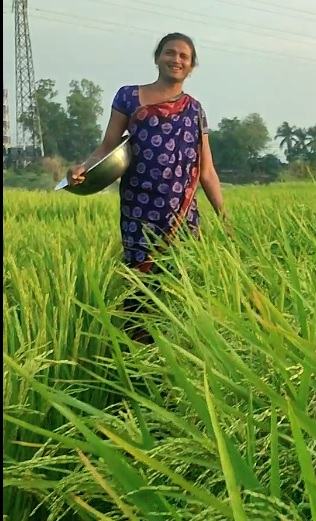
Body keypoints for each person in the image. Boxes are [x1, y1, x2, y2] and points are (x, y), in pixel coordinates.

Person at [66, 32, 227, 342]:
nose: (176, 59)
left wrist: (224, 217)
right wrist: (82, 169)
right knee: (139, 284)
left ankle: (174, 351)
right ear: (157, 57)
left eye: (184, 56)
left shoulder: (194, 110)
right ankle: (134, 351)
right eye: (170, 53)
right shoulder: (128, 97)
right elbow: (107, 148)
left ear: (191, 67)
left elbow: (206, 170)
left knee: (178, 287)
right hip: (139, 209)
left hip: (182, 215)